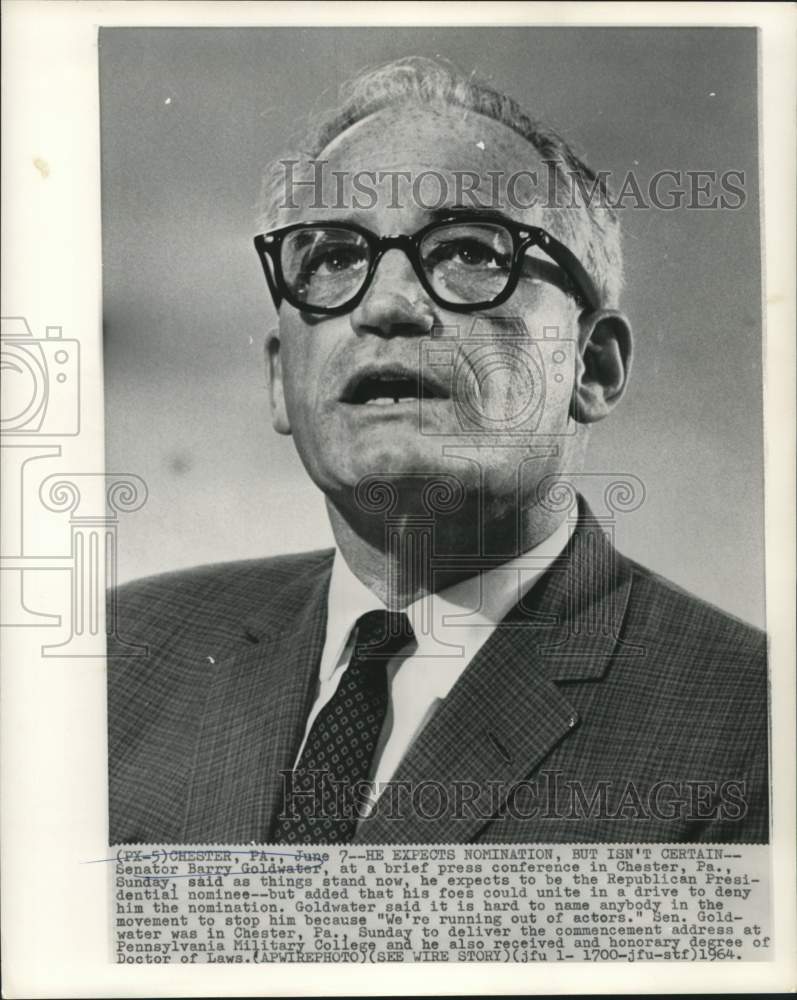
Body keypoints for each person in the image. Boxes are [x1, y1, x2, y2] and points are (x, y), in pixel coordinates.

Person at [107, 56, 768, 845]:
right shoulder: (114, 663)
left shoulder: (753, 727)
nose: (385, 304)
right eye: (331, 258)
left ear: (591, 367)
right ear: (282, 379)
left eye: (470, 252)